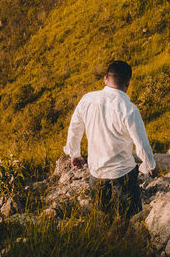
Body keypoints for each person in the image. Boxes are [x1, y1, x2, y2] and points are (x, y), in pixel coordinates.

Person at [65, 60, 157, 217]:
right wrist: (150, 165)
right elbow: (141, 143)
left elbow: (75, 127)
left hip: (96, 172)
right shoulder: (129, 109)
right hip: (123, 173)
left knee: (102, 218)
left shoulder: (87, 99)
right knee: (131, 219)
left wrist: (74, 153)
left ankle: (107, 239)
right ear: (127, 83)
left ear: (105, 78)